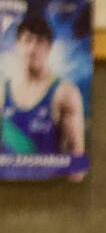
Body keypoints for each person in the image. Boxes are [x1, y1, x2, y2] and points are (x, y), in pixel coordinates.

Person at [1, 9, 86, 157]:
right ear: (17, 45)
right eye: (27, 40)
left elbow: (76, 162)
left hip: (48, 179)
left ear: (49, 48)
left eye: (39, 42)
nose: (32, 49)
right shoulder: (2, 90)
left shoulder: (65, 93)